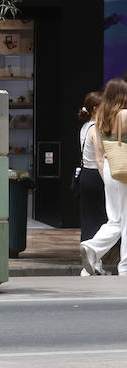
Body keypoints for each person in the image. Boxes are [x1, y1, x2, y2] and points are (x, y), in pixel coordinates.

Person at [81, 78, 127, 276]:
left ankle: (92, 248)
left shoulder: (101, 119)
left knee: (115, 219)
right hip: (124, 166)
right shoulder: (124, 115)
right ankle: (124, 266)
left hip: (110, 167)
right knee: (125, 219)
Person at [76, 91, 108, 256]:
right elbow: (100, 160)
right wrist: (107, 182)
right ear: (96, 108)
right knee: (100, 219)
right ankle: (94, 256)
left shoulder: (84, 127)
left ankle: (89, 257)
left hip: (85, 176)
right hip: (96, 176)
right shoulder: (95, 129)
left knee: (88, 218)